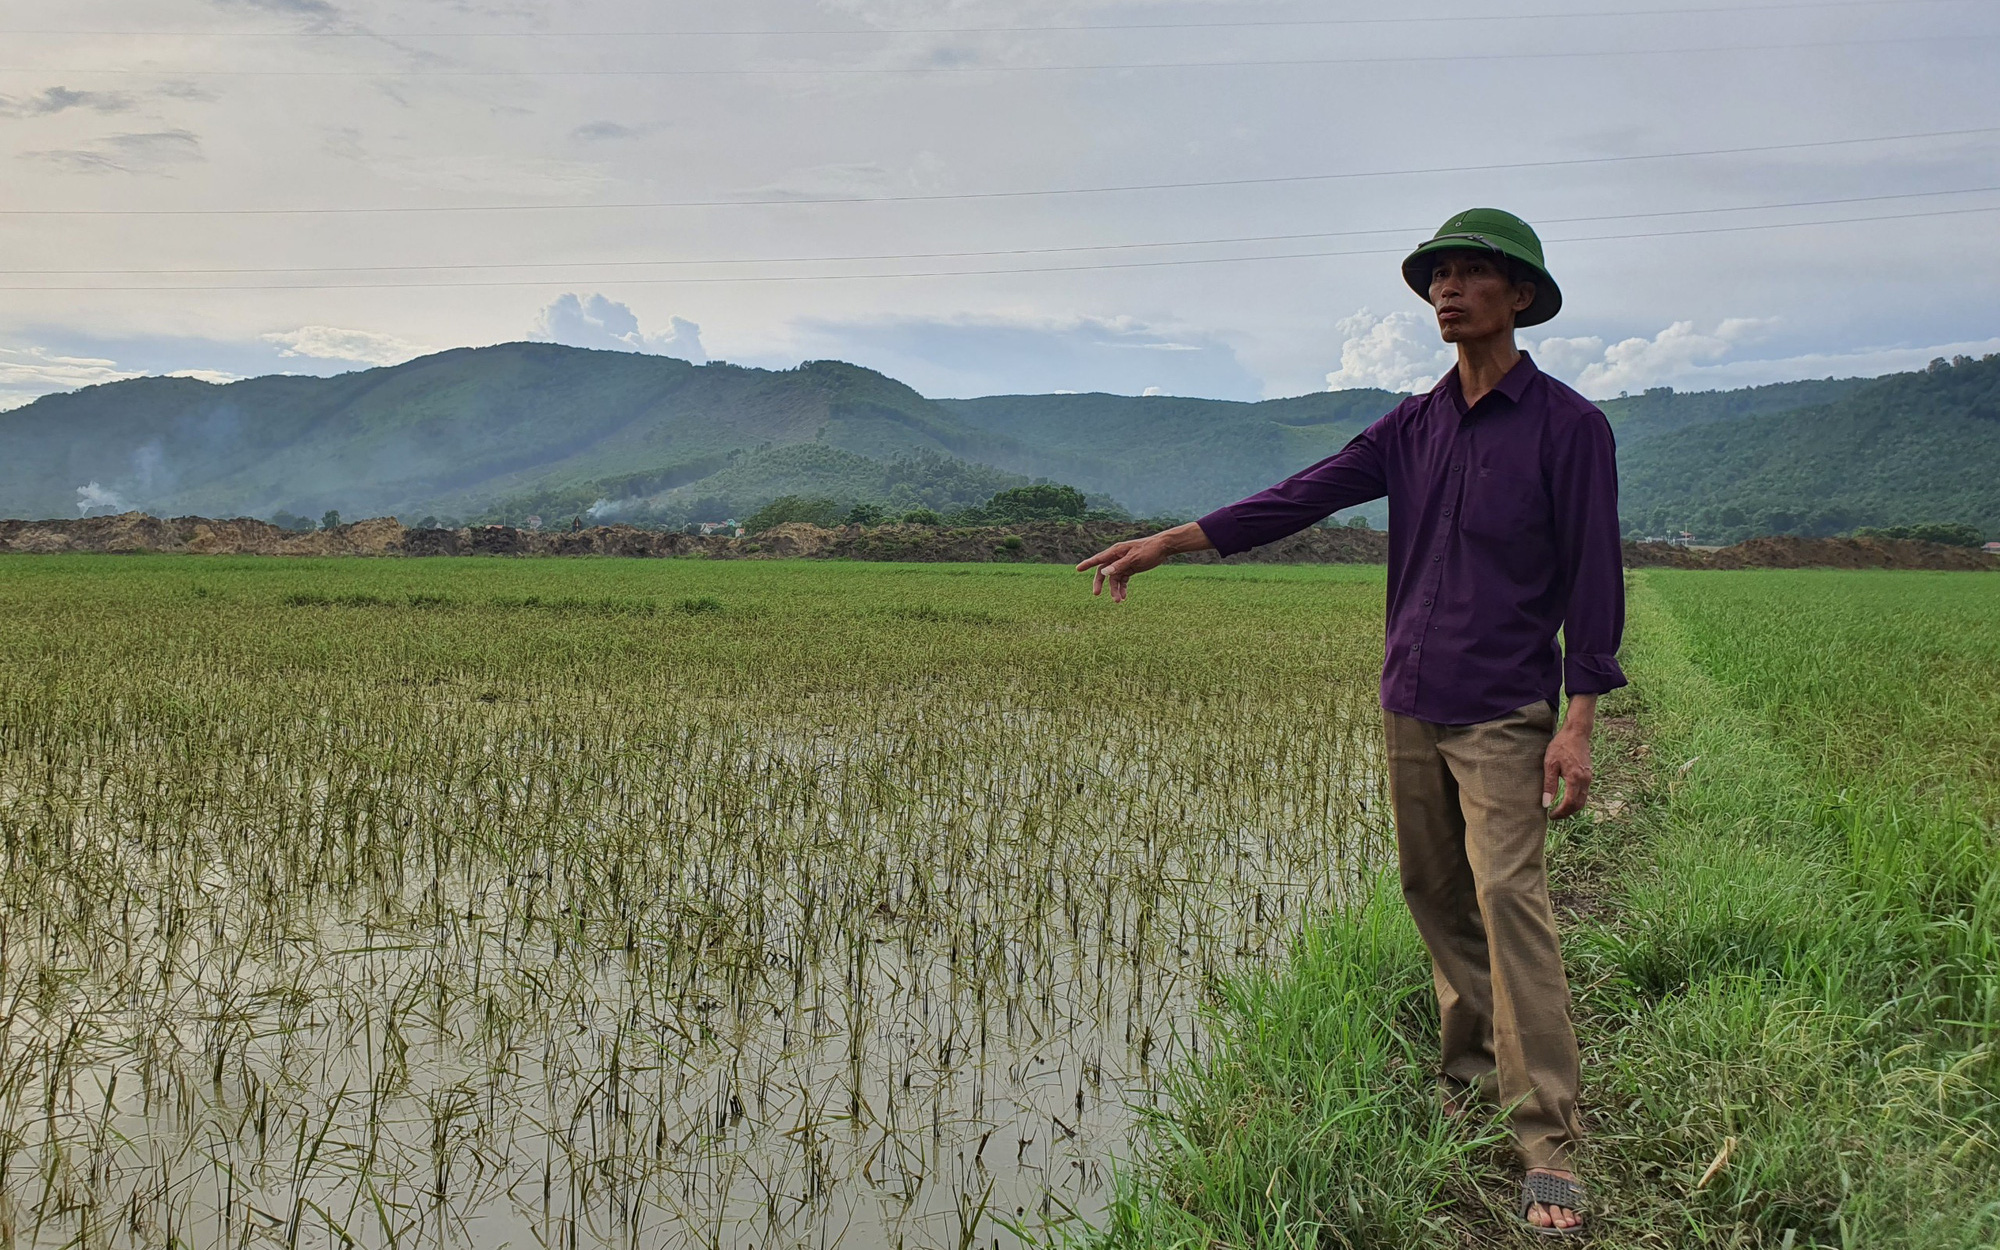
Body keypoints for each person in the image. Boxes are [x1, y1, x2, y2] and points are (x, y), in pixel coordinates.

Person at [1077, 208, 1622, 1236]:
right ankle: (1466, 1065)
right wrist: (1168, 542)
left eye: (1469, 277)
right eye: (1436, 277)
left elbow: (1593, 576)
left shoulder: (1567, 427)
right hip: (1407, 698)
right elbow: (1301, 495)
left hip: (1503, 705)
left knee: (1509, 897)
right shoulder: (1408, 426)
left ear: (1520, 298)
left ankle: (1545, 1132)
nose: (1445, 292)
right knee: (1429, 885)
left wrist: (1578, 719)